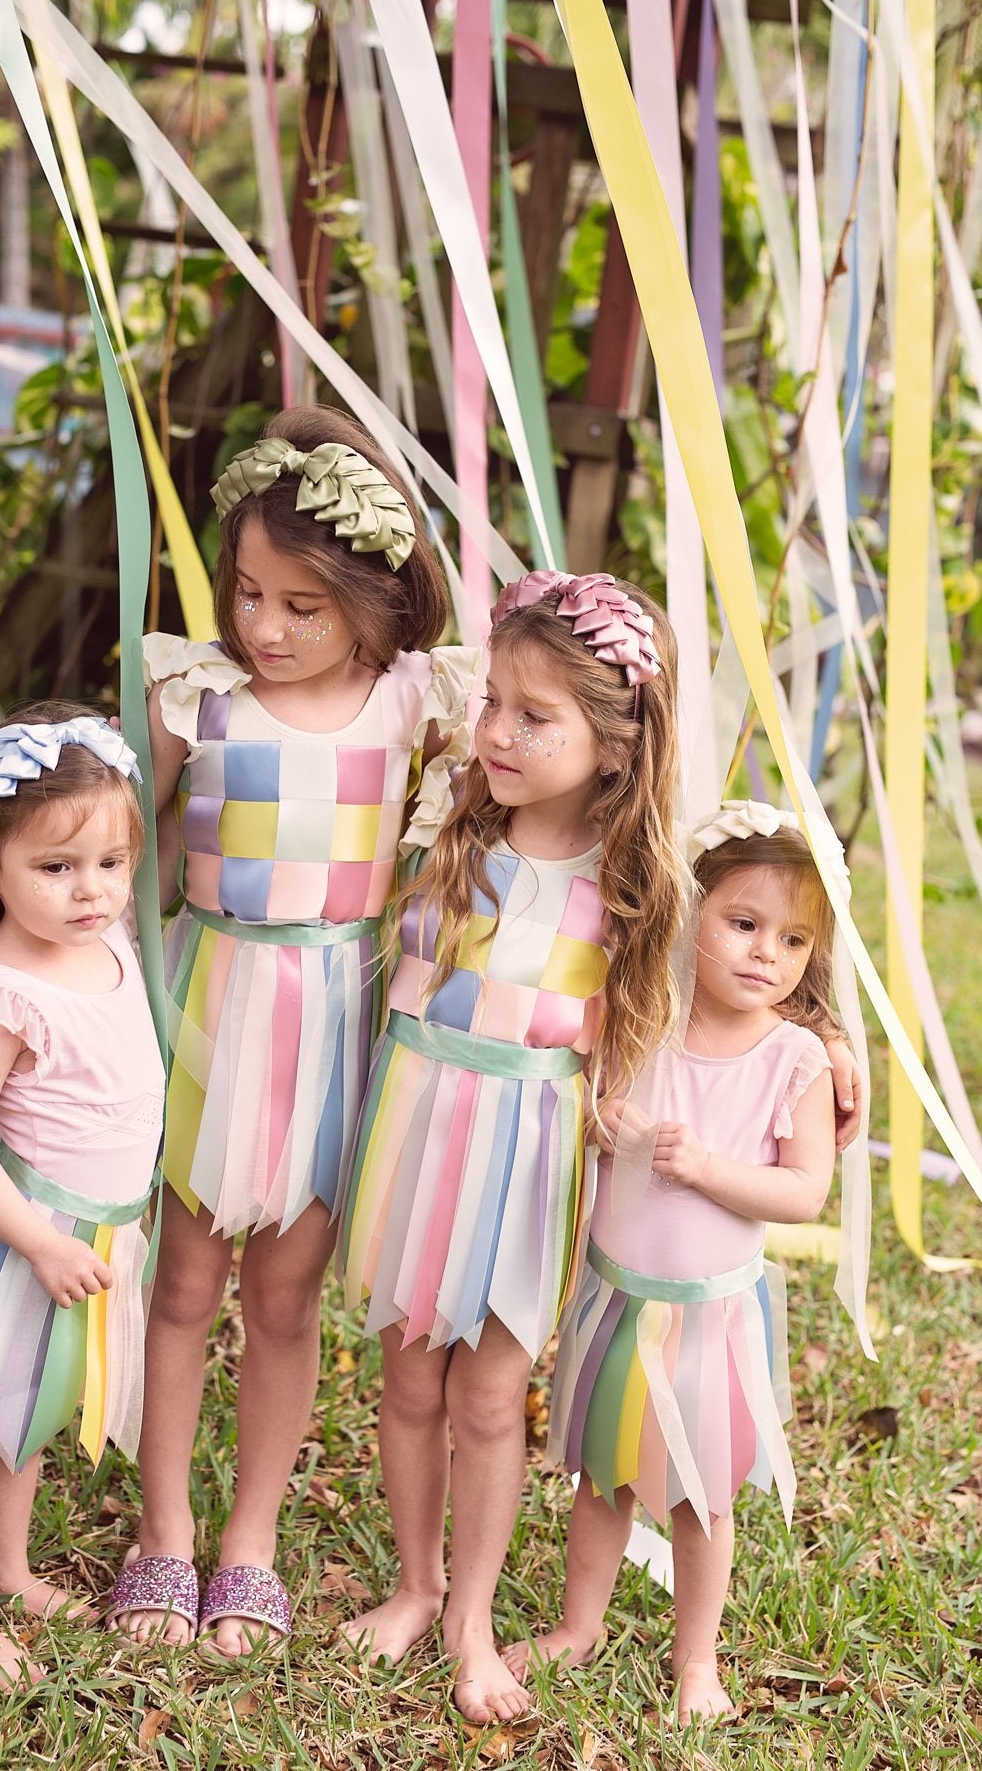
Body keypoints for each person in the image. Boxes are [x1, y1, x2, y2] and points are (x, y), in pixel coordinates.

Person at [108, 406, 477, 1653]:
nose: (262, 628)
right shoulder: (195, 696)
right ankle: (164, 1529)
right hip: (210, 1009)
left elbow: (551, 820)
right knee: (182, 1283)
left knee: (282, 1296)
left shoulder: (417, 704)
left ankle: (249, 1539)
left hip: (337, 1025)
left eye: (301, 607)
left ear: (375, 605)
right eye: (248, 593)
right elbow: (112, 850)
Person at [338, 568, 689, 1724]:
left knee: (490, 1398)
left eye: (535, 716)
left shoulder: (630, 889)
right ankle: (414, 1585)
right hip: (418, 1132)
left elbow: (749, 977)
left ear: (615, 746)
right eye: (493, 701)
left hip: (526, 1160)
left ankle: (472, 1620)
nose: (495, 731)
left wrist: (828, 1043)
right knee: (408, 1378)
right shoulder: (445, 827)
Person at [506, 804, 842, 1723]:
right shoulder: (646, 1013)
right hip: (620, 1300)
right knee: (605, 1476)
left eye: (793, 940)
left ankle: (698, 1660)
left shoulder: (795, 1058)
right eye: (744, 923)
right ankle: (578, 1626)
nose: (766, 953)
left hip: (711, 1318)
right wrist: (605, 1119)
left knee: (701, 1496)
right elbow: (592, 1101)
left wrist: (707, 1169)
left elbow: (805, 1192)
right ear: (691, 911)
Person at [0, 703, 164, 1683]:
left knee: (34, 1408)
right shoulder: (4, 994)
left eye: (111, 861)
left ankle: (6, 1570)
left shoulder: (108, 939)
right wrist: (41, 1243)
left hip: (95, 1236)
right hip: (24, 1239)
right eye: (55, 867)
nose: (91, 889)